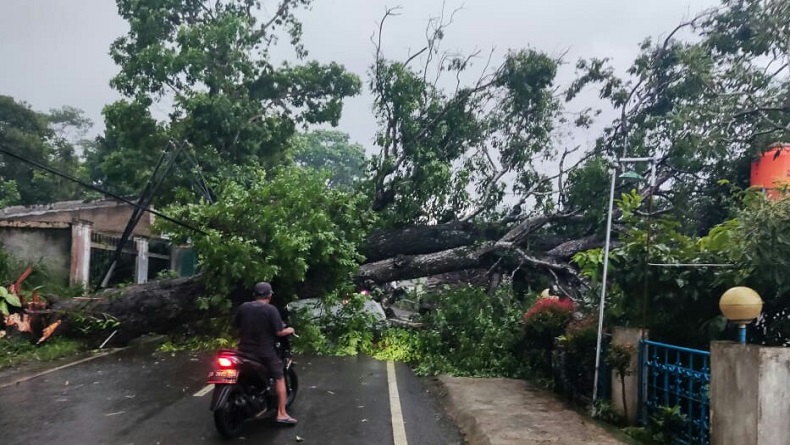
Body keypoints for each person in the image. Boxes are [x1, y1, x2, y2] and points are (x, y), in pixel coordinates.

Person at [232, 281, 297, 425]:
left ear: (255, 294)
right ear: (269, 295)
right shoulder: (270, 309)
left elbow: (236, 325)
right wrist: (291, 330)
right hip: (264, 353)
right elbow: (279, 331)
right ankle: (281, 414)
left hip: (243, 351)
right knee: (279, 377)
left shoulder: (244, 307)